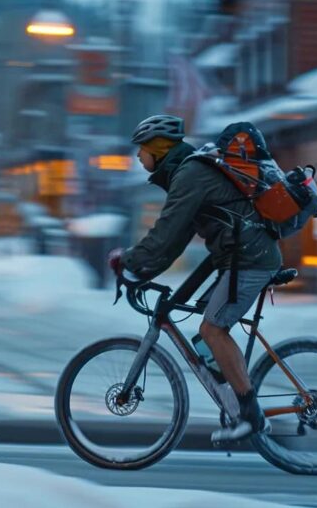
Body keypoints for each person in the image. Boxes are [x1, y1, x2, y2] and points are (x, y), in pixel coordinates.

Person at [107, 115, 282, 443]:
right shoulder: (188, 173)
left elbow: (167, 232)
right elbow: (175, 240)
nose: (137, 156)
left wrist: (128, 262)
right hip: (240, 257)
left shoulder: (190, 174)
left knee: (212, 329)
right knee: (210, 324)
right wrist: (142, 272)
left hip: (249, 259)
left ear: (158, 150)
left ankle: (251, 416)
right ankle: (236, 400)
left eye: (141, 149)